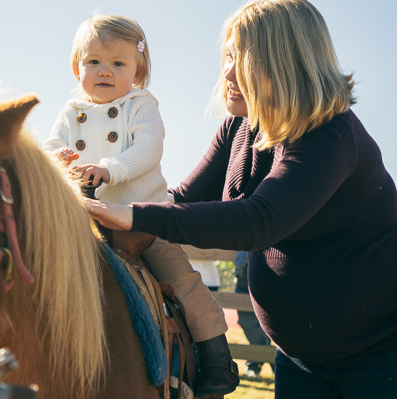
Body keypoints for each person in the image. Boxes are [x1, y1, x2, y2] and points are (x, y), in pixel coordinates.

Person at [85, 1, 397, 397]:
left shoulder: (330, 134)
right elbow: (180, 200)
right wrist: (97, 205)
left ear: (287, 62)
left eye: (245, 57)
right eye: (229, 54)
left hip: (381, 356)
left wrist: (131, 216)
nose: (227, 70)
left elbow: (258, 220)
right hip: (299, 358)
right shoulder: (239, 127)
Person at [44, 15, 239, 396]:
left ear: (138, 71)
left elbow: (148, 149)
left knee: (182, 279)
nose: (105, 71)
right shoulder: (70, 113)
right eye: (94, 62)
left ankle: (216, 356)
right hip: (85, 225)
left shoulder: (141, 105)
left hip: (144, 224)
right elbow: (49, 149)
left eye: (118, 63)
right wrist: (57, 161)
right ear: (76, 68)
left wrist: (109, 169)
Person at [234, 251, 274, 377]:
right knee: (246, 321)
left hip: (265, 270)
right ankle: (269, 359)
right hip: (244, 276)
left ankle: (258, 362)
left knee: (266, 322)